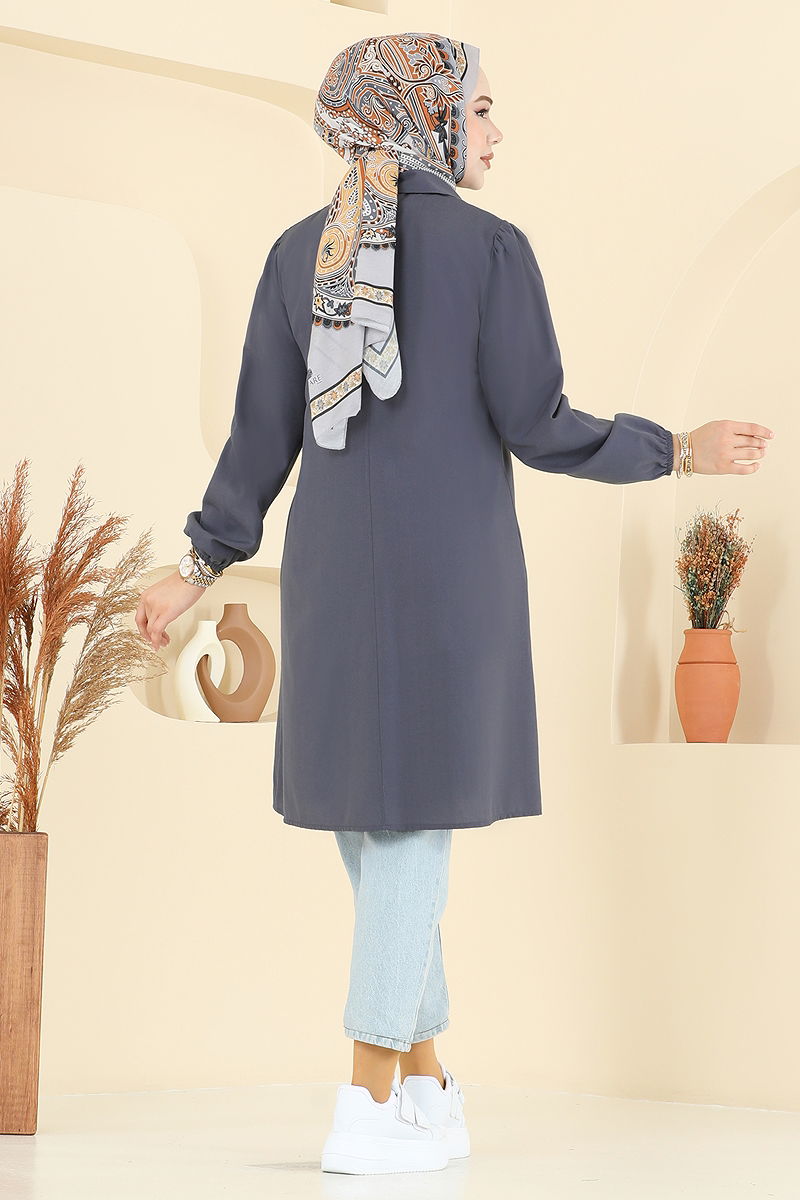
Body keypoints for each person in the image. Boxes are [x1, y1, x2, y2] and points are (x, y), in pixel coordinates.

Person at [135, 32, 774, 1176]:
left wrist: (200, 564)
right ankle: (365, 1101)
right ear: (419, 112)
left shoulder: (299, 253)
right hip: (448, 580)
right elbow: (538, 423)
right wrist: (675, 448)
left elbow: (258, 439)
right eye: (478, 109)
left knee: (377, 825)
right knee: (406, 824)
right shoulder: (487, 249)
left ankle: (423, 1084)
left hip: (333, 578)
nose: (494, 132)